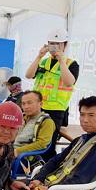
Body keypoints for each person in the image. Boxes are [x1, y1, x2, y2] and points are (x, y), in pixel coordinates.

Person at [26, 96, 96, 190]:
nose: (85, 120)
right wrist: (38, 179)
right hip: (51, 189)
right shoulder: (80, 139)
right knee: (10, 189)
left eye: (91, 115)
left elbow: (81, 179)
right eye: (82, 115)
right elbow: (55, 161)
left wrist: (49, 189)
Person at [25, 28, 79, 159]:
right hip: (38, 108)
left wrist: (61, 61)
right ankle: (31, 165)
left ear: (65, 45)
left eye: (58, 44)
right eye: (51, 43)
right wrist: (39, 56)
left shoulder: (71, 64)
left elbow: (69, 82)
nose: (54, 47)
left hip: (55, 111)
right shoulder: (43, 61)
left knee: (47, 144)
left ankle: (44, 170)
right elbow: (28, 75)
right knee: (31, 139)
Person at [13, 90, 55, 157]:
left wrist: (17, 151)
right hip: (9, 151)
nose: (26, 107)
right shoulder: (21, 118)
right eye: (23, 104)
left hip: (23, 157)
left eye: (29, 103)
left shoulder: (46, 122)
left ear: (40, 104)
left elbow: (42, 144)